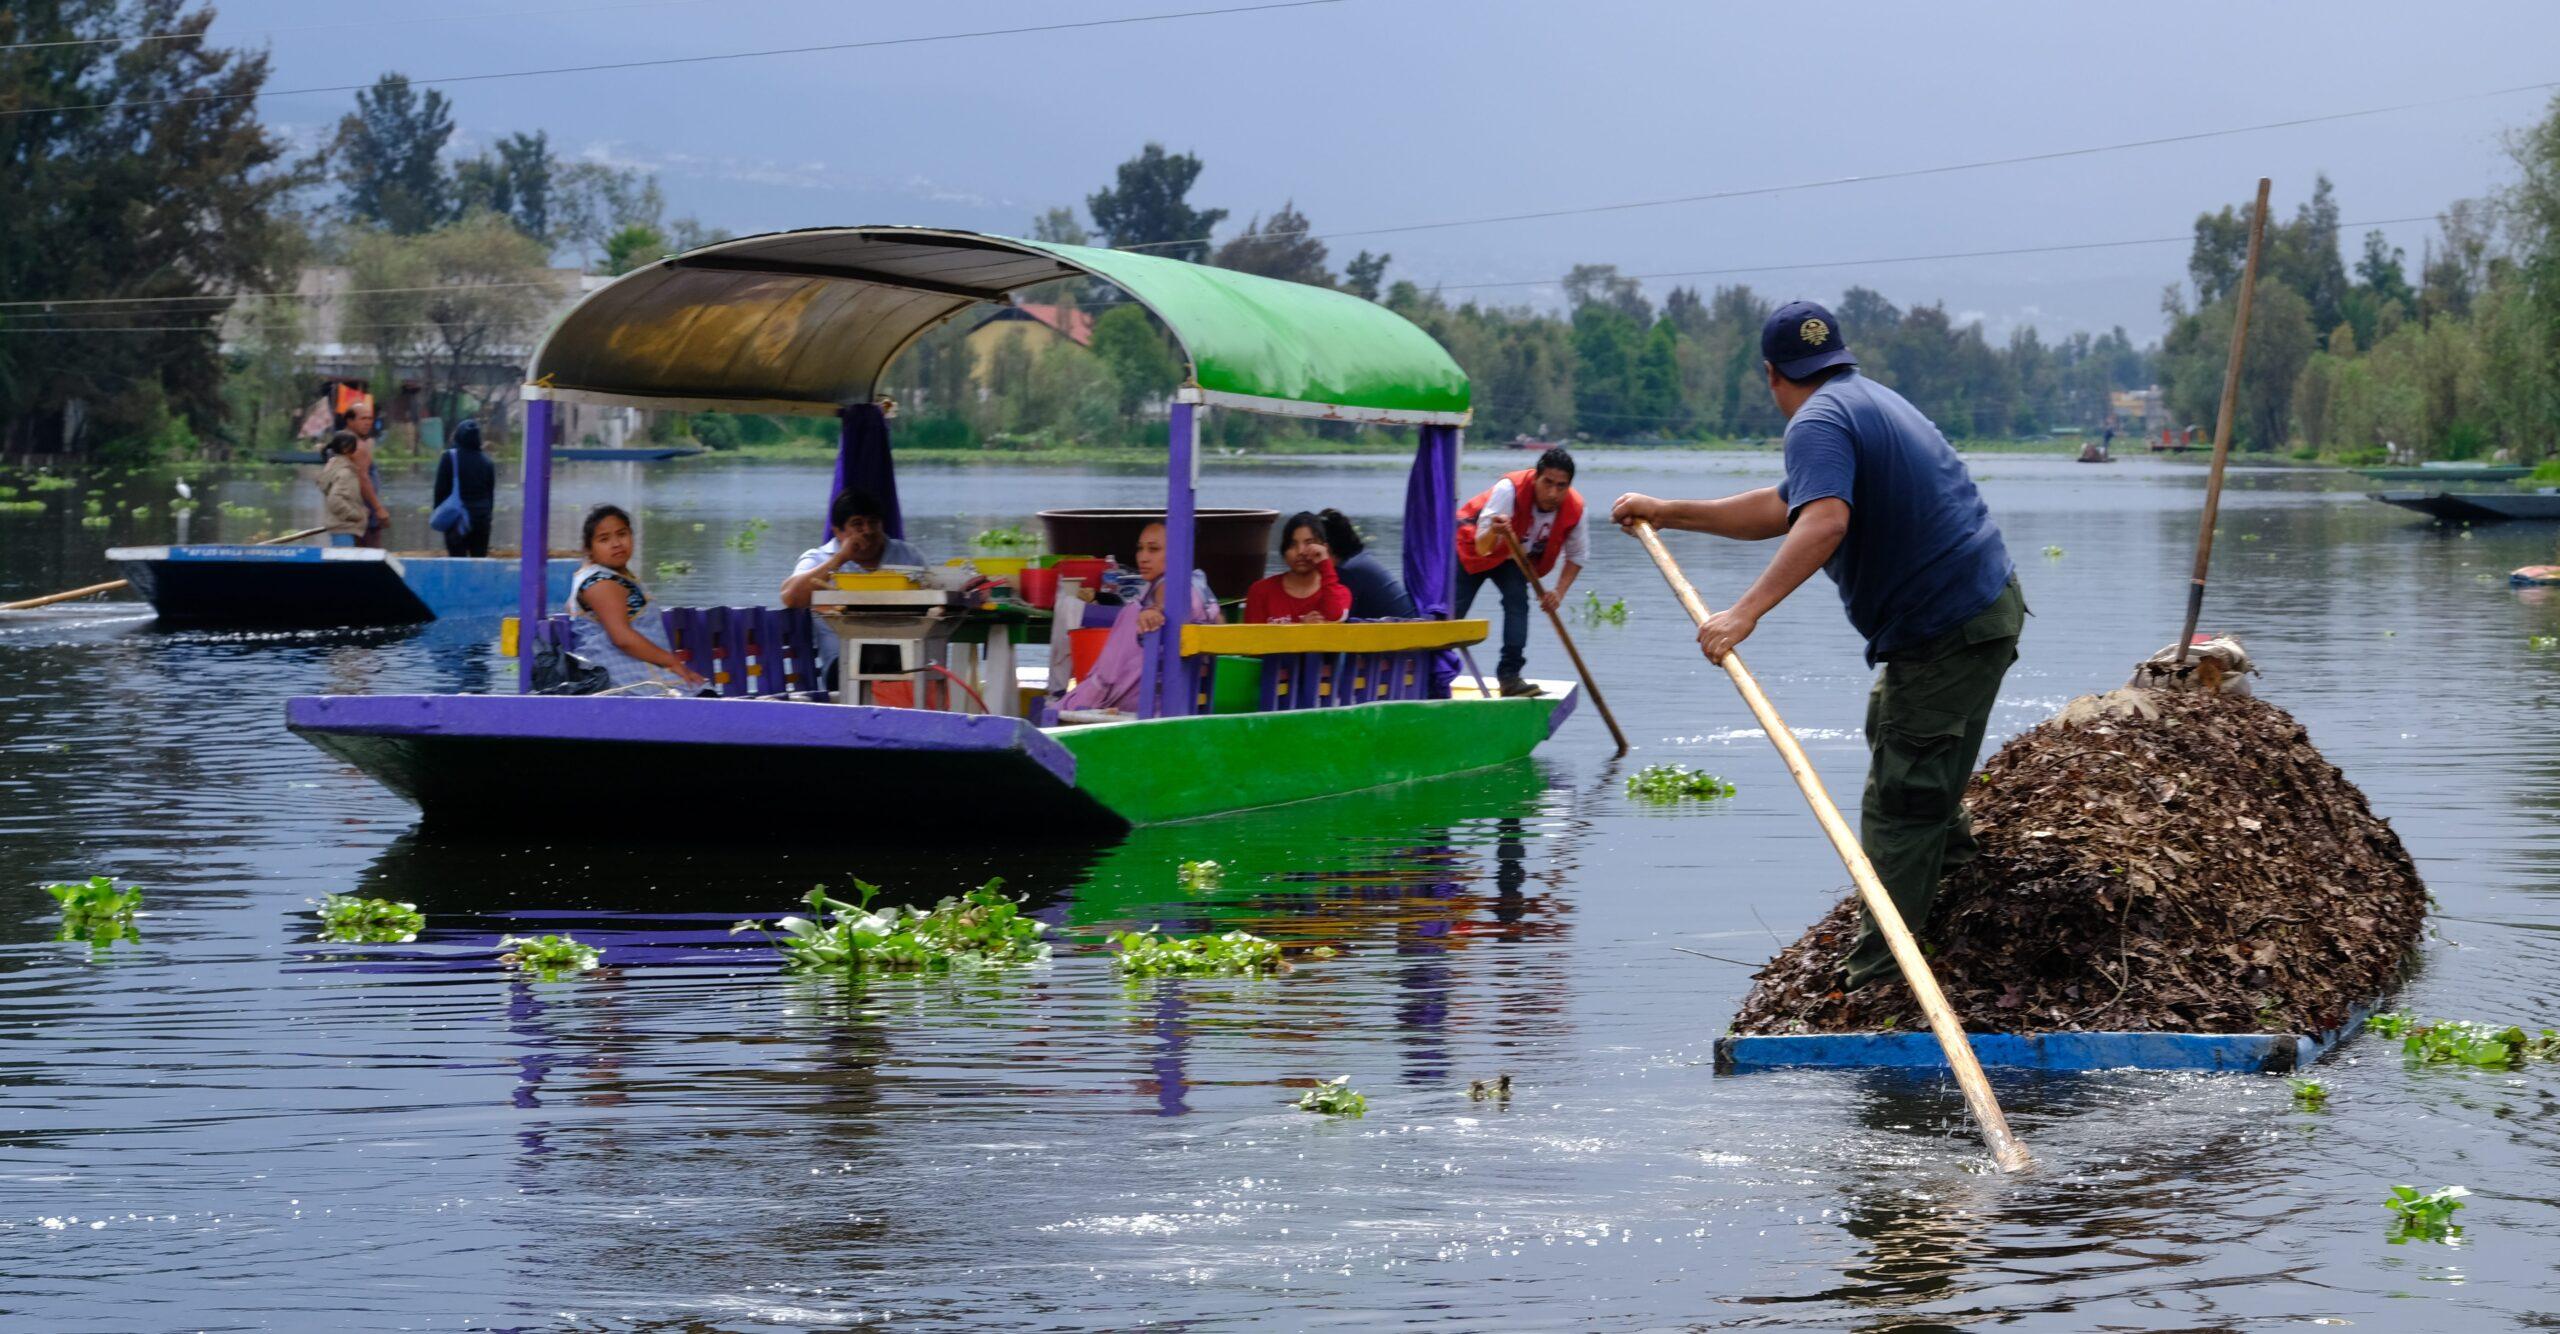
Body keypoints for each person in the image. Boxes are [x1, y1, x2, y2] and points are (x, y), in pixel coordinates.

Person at [1610, 300, 2022, 991]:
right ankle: (1957, 879)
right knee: (1897, 736)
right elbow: (1786, 508)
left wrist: (1743, 614)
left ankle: (1880, 977)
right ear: (1837, 355)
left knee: (1903, 795)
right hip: (1968, 612)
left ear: (1771, 374)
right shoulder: (1860, 401)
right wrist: (1669, 512)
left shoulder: (1818, 420)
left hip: (1951, 623)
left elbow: (1824, 521)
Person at [1455, 446, 1587, 696]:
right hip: (1474, 545)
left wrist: (1558, 592)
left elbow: (1577, 556)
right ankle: (1431, 668)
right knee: (1452, 610)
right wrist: (1496, 531)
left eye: (1561, 486)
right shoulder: (1509, 490)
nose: (1553, 493)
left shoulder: (1576, 508)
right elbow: (1483, 546)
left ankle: (1510, 677)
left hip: (1513, 556)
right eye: (1547, 483)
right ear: (1535, 477)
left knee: (1518, 603)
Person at [1056, 521, 1216, 714]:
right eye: (1140, 549)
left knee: (1055, 713)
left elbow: (1170, 600)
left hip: (1144, 700)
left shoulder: (1170, 586)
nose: (1143, 558)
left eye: (1154, 549)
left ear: (1178, 552)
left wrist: (1154, 611)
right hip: (1184, 696)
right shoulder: (1199, 584)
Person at [567, 503, 708, 691]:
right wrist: (671, 662)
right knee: (703, 699)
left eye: (622, 534)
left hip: (641, 674)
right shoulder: (599, 582)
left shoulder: (616, 577)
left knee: (704, 696)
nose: (616, 543)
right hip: (621, 681)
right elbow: (622, 637)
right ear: (589, 549)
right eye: (604, 539)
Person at [779, 490, 926, 609]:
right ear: (838, 532)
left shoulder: (908, 554)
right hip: (840, 644)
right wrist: (840, 558)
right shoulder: (818, 558)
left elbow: (932, 591)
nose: (867, 530)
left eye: (873, 522)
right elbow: (790, 598)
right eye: (857, 524)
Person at [1244, 511, 1350, 624]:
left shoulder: (1340, 593)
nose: (1300, 552)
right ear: (1284, 551)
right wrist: (1299, 629)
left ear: (1324, 549)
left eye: (1309, 543)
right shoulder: (1261, 591)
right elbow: (1252, 639)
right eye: (1292, 545)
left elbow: (1333, 615)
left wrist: (1325, 563)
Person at [1318, 508, 1415, 619]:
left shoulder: (1348, 572)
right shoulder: (1359, 559)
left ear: (1326, 547)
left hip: (1401, 631)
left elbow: (1338, 619)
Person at [431, 418, 496, 558]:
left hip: (456, 520)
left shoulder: (449, 458)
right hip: (481, 521)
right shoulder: (487, 462)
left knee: (457, 561)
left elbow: (440, 490)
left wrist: (439, 513)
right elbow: (490, 496)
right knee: (479, 562)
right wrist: (487, 518)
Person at [344, 402, 390, 549]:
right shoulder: (357, 446)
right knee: (371, 555)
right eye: (363, 419)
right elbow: (362, 478)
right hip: (364, 513)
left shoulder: (342, 442)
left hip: (352, 511)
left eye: (370, 419)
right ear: (350, 421)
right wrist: (378, 508)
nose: (368, 423)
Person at [316, 431, 369, 547]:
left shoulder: (333, 467)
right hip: (344, 529)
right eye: (357, 448)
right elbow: (335, 500)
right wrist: (357, 514)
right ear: (347, 449)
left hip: (340, 528)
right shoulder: (345, 473)